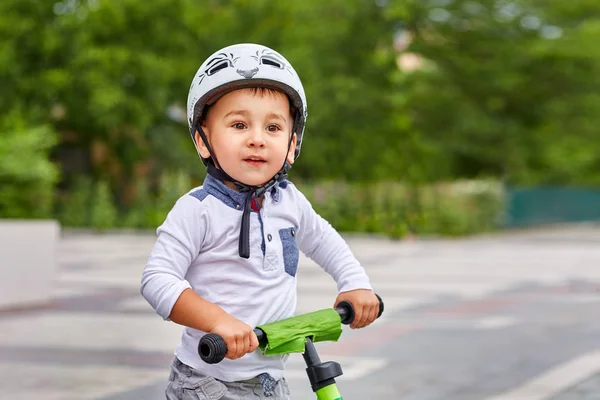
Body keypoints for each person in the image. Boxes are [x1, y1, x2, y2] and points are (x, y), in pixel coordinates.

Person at [141, 43, 380, 400]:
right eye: (239, 124)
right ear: (203, 141)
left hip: (270, 378)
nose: (256, 139)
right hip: (208, 380)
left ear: (292, 143)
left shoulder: (289, 201)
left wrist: (355, 283)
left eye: (272, 127)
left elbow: (323, 240)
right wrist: (217, 321)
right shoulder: (198, 209)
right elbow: (157, 279)